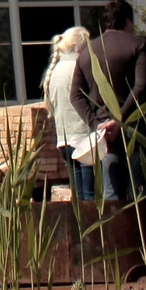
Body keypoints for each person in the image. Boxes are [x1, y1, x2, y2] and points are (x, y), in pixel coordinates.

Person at [72, 0, 146, 200]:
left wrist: (97, 124)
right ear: (128, 21)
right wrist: (119, 120)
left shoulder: (87, 51)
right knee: (143, 192)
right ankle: (145, 232)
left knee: (112, 192)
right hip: (138, 128)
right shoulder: (139, 44)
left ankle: (114, 231)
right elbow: (141, 87)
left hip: (105, 133)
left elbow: (76, 95)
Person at [42, 25, 106, 201]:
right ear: (80, 47)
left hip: (64, 139)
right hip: (84, 137)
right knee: (91, 196)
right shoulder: (80, 68)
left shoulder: (54, 71)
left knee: (78, 196)